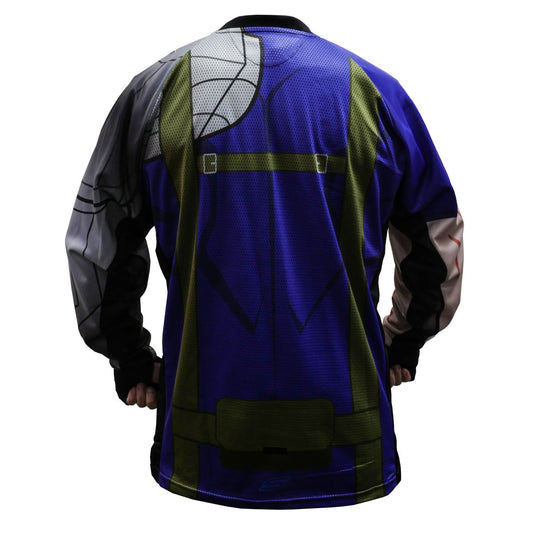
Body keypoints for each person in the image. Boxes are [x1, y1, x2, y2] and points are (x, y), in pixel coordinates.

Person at [65, 14, 463, 510]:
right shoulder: (375, 92)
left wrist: (130, 357)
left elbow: (95, 241)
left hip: (197, 450)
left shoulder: (159, 88)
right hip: (352, 450)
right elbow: (438, 241)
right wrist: (402, 341)